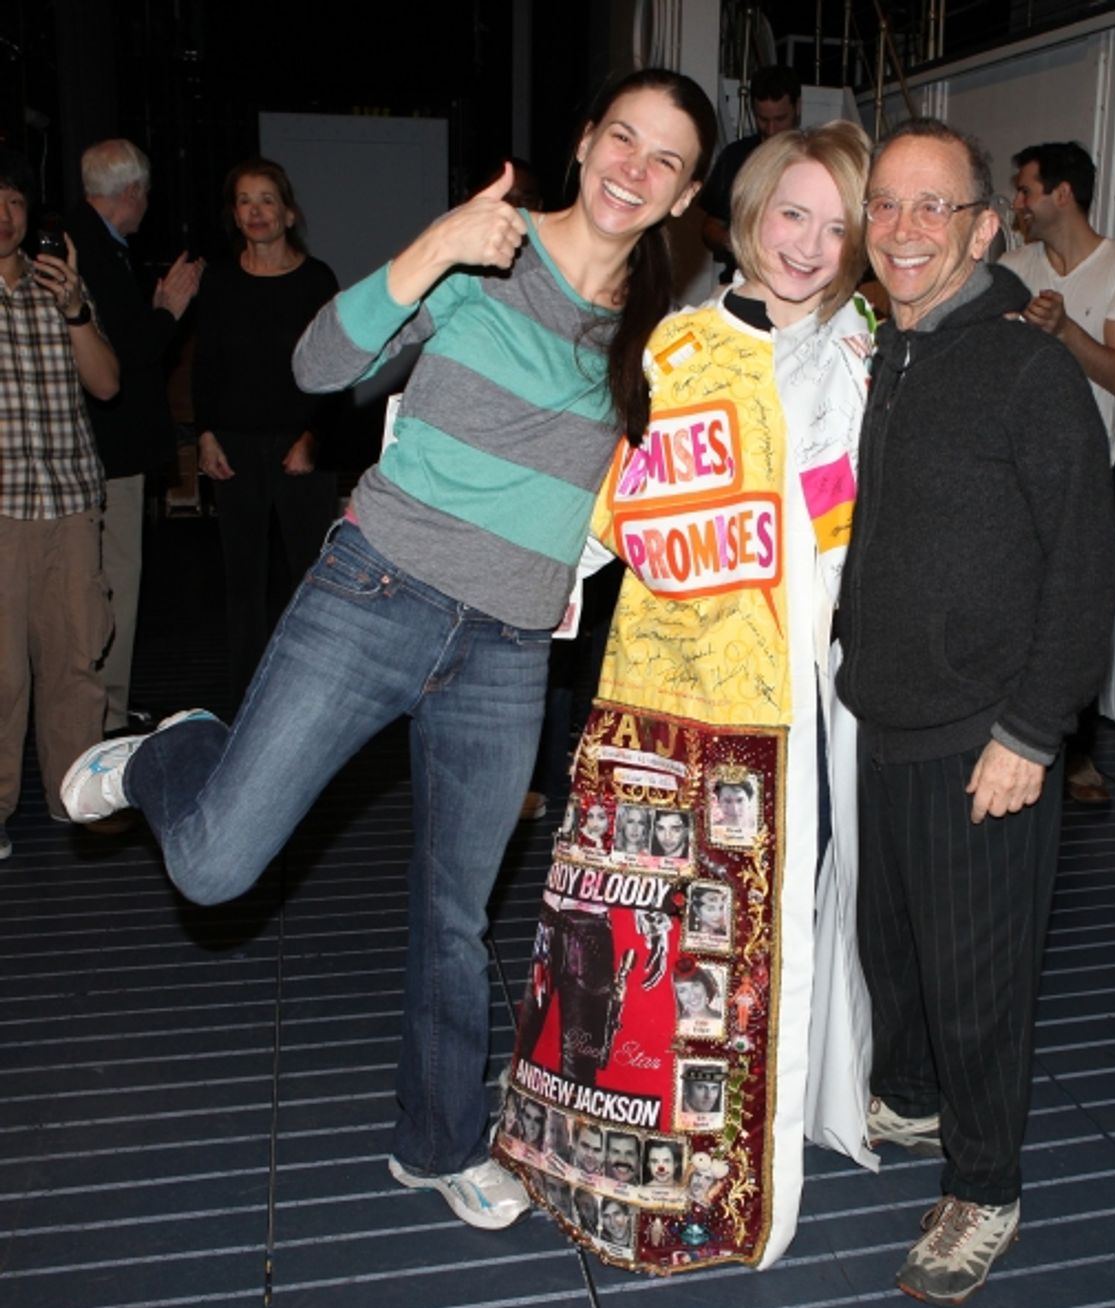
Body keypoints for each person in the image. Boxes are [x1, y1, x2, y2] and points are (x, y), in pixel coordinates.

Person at [60, 69, 715, 1233]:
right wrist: (435, 244)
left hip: (509, 647)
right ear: (584, 141)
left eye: (666, 159)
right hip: (375, 591)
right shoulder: (481, 257)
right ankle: (175, 751)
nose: (636, 168)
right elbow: (314, 366)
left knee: (454, 915)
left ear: (685, 193)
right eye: (623, 137)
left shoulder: (653, 335)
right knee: (212, 866)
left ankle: (437, 1139)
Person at [499, 122, 878, 1273]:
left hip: (802, 699)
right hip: (662, 697)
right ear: (749, 212)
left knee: (760, 953)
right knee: (615, 948)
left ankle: (737, 1179)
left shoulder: (870, 352)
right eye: (791, 213)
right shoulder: (670, 350)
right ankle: (592, 1163)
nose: (809, 244)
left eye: (836, 224)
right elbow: (597, 517)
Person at [838, 118, 1115, 1306]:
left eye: (932, 207)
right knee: (892, 947)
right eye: (887, 206)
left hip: (983, 739)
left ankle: (986, 1183)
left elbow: (1086, 562)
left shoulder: (1025, 363)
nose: (903, 230)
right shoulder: (883, 351)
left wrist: (1033, 729)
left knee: (978, 977)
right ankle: (908, 1100)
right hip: (884, 716)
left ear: (982, 225)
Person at [1000, 141, 1115, 804]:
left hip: (1089, 473)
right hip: (1012, 471)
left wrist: (1063, 329)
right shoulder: (1012, 265)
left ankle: (1081, 755)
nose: (1018, 205)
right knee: (1013, 609)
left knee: (1077, 611)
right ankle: (1007, 736)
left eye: (1026, 191)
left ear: (1062, 195)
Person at [0, 149, 119, 862]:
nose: (3, 215)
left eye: (13, 201)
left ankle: (75, 797)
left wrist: (76, 306)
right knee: (2, 672)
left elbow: (106, 385)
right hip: (2, 510)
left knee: (77, 659)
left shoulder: (58, 289)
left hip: (71, 501)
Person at [66, 139, 203, 735]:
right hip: (109, 452)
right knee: (114, 583)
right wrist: (169, 310)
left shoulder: (84, 242)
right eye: (145, 193)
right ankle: (106, 719)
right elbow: (126, 357)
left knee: (97, 584)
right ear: (132, 192)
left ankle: (102, 710)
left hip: (95, 451)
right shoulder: (94, 252)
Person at [193, 158, 340, 705]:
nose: (256, 211)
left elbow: (335, 369)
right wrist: (205, 434)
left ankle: (311, 693)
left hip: (300, 446)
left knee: (311, 577)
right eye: (245, 201)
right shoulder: (221, 280)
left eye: (266, 200)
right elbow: (206, 364)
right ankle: (248, 701)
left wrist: (312, 437)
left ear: (289, 212)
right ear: (235, 214)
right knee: (243, 585)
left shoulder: (317, 279)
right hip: (232, 447)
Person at [698, 64, 800, 280]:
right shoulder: (735, 156)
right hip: (740, 281)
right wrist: (735, 241)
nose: (771, 130)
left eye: (780, 119)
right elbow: (710, 227)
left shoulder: (815, 160)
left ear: (797, 108)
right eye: (763, 119)